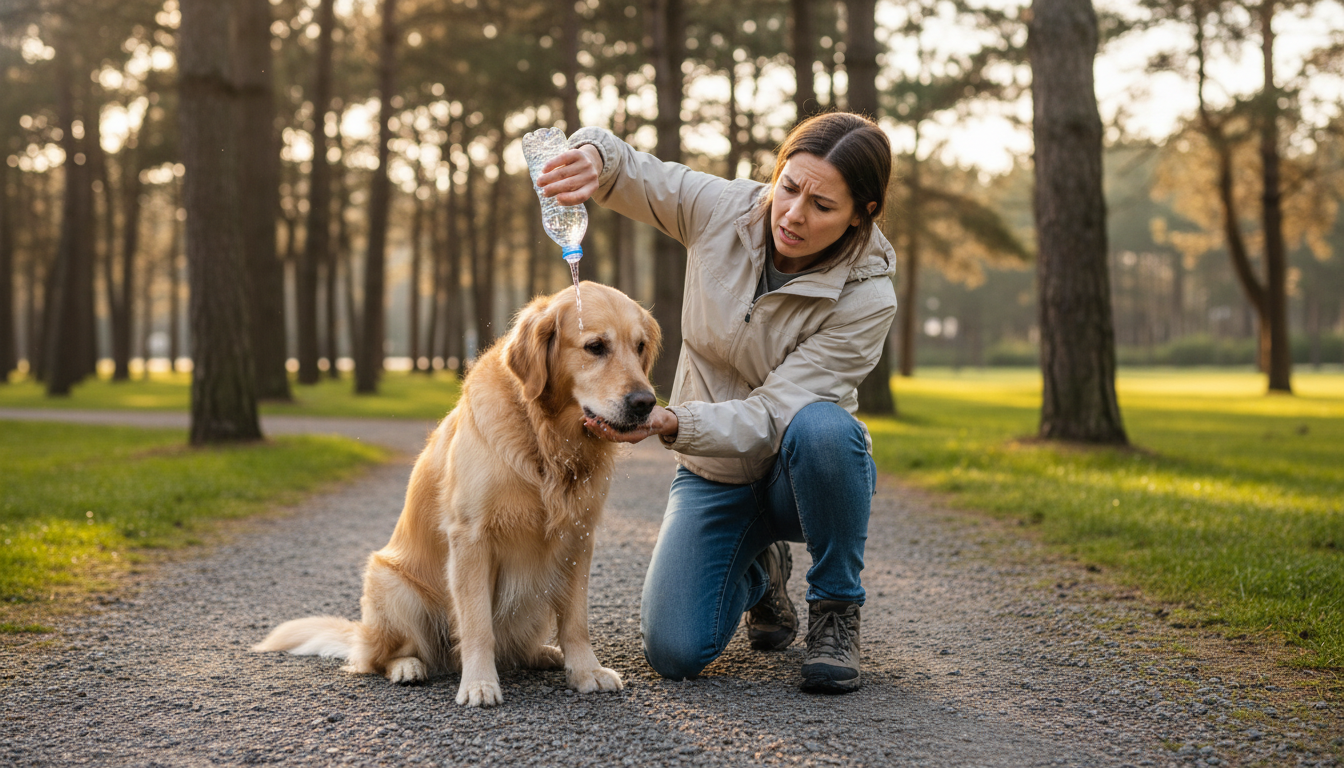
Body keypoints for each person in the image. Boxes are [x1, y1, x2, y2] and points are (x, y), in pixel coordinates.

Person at [534, 112, 897, 694]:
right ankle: (762, 573)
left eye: (823, 206)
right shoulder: (722, 208)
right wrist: (596, 158)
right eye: (790, 187)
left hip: (796, 474)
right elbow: (636, 172)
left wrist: (674, 420)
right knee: (675, 650)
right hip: (714, 472)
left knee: (827, 430)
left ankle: (836, 608)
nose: (794, 215)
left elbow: (776, 413)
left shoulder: (868, 296)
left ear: (863, 212)